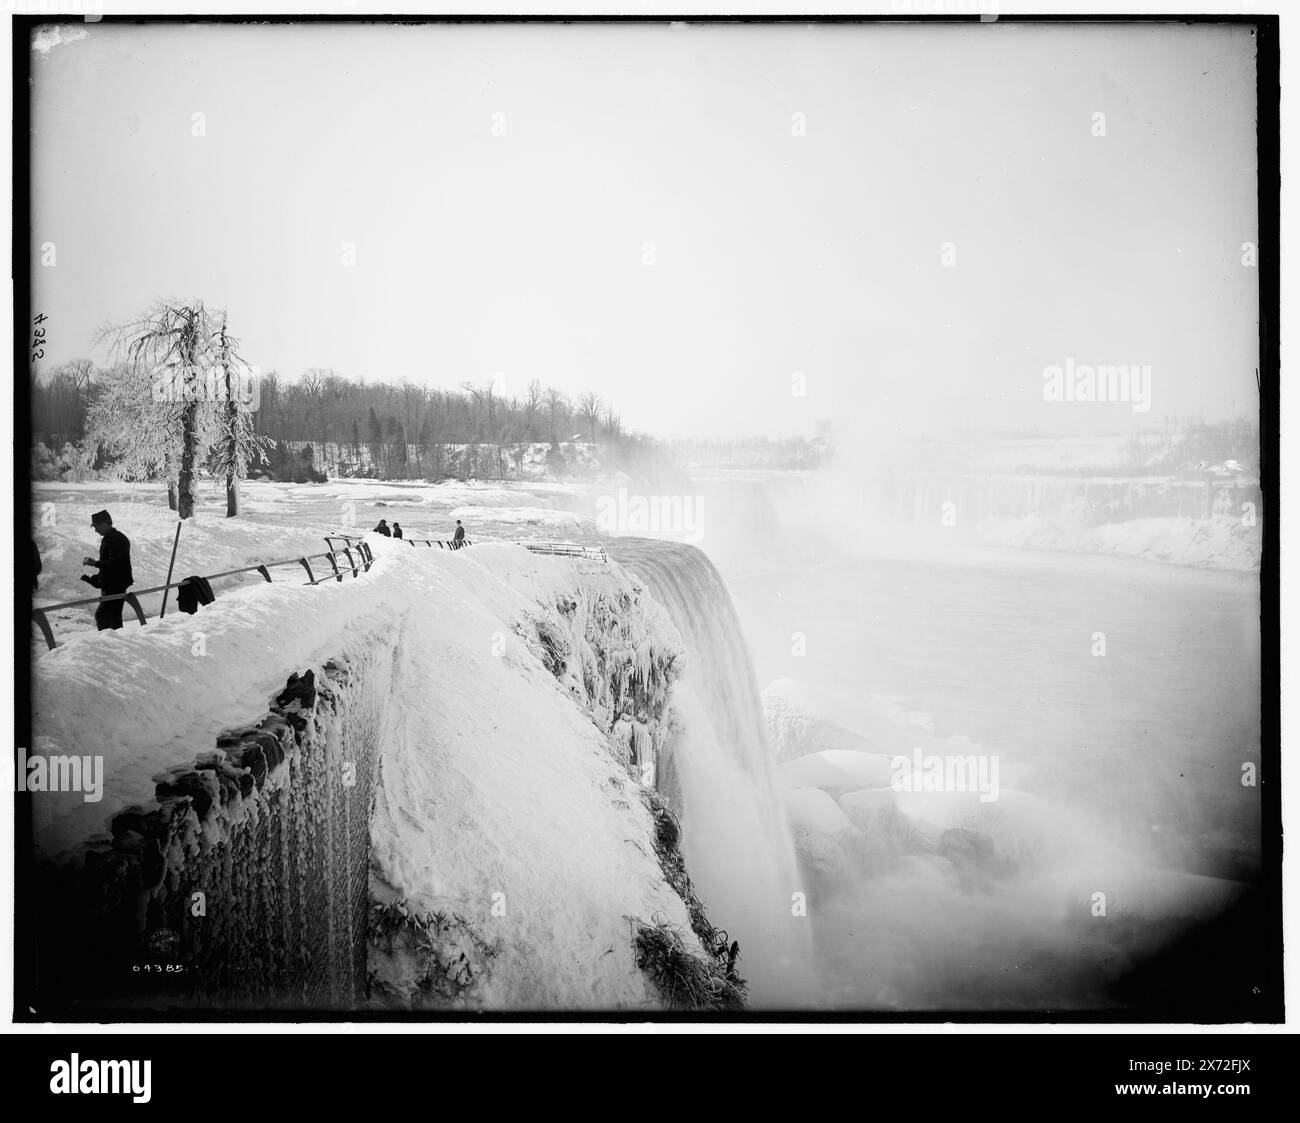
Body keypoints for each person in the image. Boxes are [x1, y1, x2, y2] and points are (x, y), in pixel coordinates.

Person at [80, 510, 133, 631]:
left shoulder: (117, 539)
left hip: (116, 584)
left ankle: (110, 643)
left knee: (103, 616)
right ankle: (116, 642)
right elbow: (109, 565)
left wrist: (95, 563)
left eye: (96, 526)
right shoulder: (109, 538)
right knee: (113, 617)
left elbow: (116, 564)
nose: (95, 530)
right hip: (111, 584)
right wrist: (97, 579)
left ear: (104, 523)